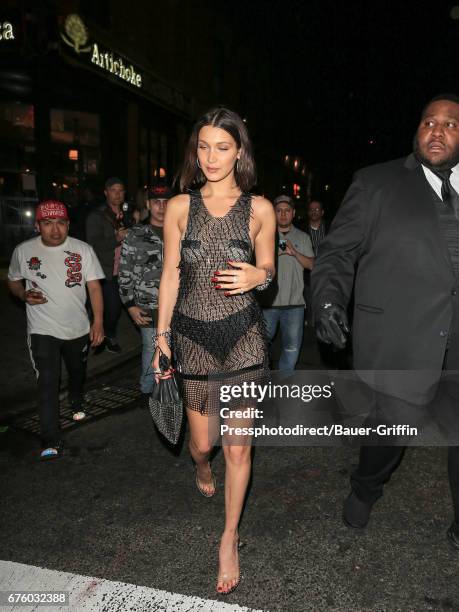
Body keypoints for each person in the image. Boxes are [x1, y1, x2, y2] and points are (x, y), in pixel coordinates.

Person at [311, 93, 459, 550]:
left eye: (451, 124)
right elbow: (337, 252)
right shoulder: (376, 183)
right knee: (388, 437)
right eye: (428, 122)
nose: (436, 131)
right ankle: (365, 486)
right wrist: (328, 300)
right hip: (402, 338)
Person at [152, 107, 276, 593]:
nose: (211, 157)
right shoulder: (181, 207)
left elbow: (269, 269)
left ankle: (228, 537)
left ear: (239, 151)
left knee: (237, 446)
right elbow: (170, 273)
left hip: (243, 337)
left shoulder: (259, 208)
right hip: (193, 335)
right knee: (204, 444)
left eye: (222, 147)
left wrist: (258, 276)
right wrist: (161, 337)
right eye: (203, 146)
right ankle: (201, 466)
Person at [7, 200, 105, 460]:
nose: (55, 230)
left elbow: (95, 287)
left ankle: (76, 398)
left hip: (78, 328)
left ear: (68, 225)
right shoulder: (23, 251)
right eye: (48, 223)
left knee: (77, 371)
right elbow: (14, 279)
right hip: (42, 328)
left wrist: (98, 322)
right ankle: (50, 437)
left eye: (60, 223)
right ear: (37, 226)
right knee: (48, 381)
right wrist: (22, 294)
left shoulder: (82, 250)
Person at [118, 184, 172, 394]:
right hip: (148, 305)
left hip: (177, 306)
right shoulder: (136, 234)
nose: (161, 207)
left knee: (173, 350)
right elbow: (125, 272)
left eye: (166, 202)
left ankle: (169, 389)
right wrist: (129, 305)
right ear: (148, 204)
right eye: (156, 202)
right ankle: (148, 390)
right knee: (152, 349)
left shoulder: (180, 232)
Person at [262, 195, 314, 371]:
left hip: (295, 305)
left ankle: (283, 387)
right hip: (269, 303)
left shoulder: (303, 237)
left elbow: (312, 264)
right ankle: (262, 383)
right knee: (260, 346)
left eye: (287, 211)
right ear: (273, 213)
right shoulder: (264, 236)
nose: (283, 214)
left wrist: (295, 253)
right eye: (278, 211)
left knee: (291, 349)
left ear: (293, 213)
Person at [86, 177, 129, 353]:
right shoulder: (96, 216)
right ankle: (96, 337)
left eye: (121, 190)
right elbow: (93, 245)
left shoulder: (128, 214)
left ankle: (108, 335)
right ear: (106, 192)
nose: (118, 194)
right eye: (114, 190)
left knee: (114, 310)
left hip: (125, 271)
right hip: (104, 272)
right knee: (101, 308)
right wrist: (117, 238)